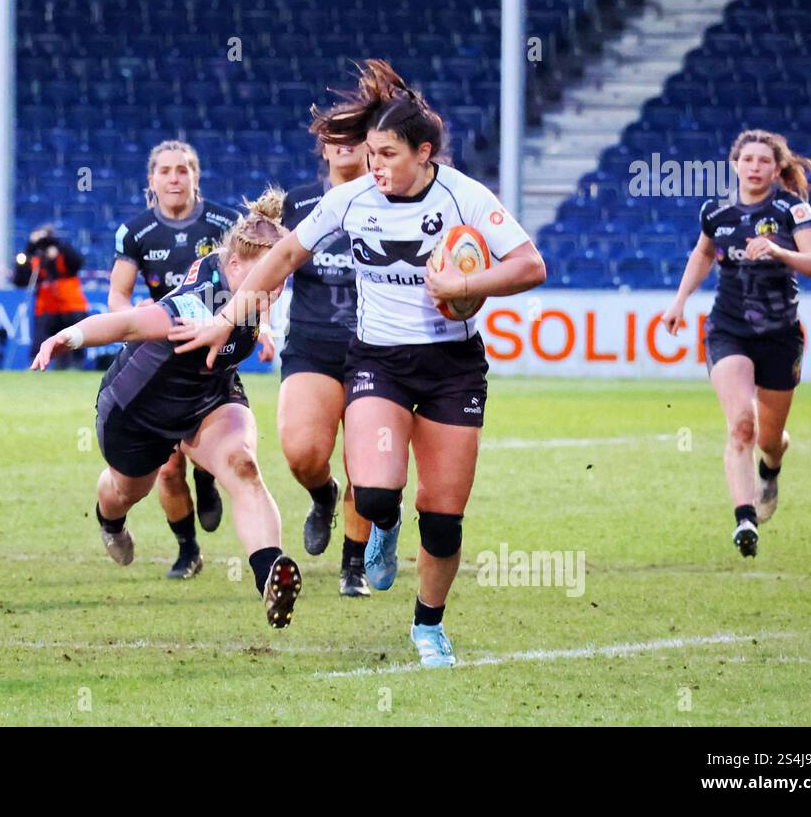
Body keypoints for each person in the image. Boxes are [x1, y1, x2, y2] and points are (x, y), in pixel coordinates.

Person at [171, 61, 546, 666]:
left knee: (444, 518)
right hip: (379, 362)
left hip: (453, 368)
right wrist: (230, 316)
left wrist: (465, 281)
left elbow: (531, 265)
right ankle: (383, 521)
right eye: (371, 153)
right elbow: (286, 253)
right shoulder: (350, 200)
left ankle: (428, 626)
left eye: (389, 155)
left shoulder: (464, 196)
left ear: (424, 154)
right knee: (372, 496)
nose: (375, 166)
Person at [32, 189, 302, 627]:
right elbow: (129, 323)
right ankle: (110, 523)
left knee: (243, 466)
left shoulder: (247, 280)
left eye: (281, 277)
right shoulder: (193, 308)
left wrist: (265, 328)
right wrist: (69, 338)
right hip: (140, 408)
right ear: (236, 267)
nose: (276, 286)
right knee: (124, 491)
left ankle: (269, 578)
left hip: (208, 394)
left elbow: (257, 294)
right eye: (269, 277)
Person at [663, 129, 811, 558]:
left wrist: (780, 252)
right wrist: (679, 302)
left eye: (763, 161)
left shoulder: (792, 210)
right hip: (728, 328)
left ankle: (771, 467)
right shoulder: (715, 211)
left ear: (776, 169)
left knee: (769, 438)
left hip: (780, 335)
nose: (754, 167)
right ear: (735, 165)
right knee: (741, 423)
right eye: (747, 159)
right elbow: (703, 253)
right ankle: (745, 518)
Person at [106, 139, 256, 579]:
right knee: (167, 468)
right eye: (166, 171)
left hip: (213, 353)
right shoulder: (135, 233)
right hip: (163, 357)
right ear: (151, 182)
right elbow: (118, 295)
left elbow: (255, 280)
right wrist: (137, 327)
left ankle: (206, 477)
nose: (175, 178)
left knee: (219, 447)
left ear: (195, 177)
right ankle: (187, 550)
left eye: (183, 170)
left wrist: (258, 326)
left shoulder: (227, 224)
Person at [276, 139, 373, 596]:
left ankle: (353, 567)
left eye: (357, 135)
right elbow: (273, 262)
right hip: (312, 344)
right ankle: (322, 495)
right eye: (336, 137)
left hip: (375, 348)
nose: (347, 145)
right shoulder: (298, 203)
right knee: (302, 454)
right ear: (323, 149)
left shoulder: (390, 200)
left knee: (368, 465)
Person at [14, 224, 89, 370]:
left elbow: (77, 262)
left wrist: (55, 246)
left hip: (70, 305)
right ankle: (37, 367)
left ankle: (76, 367)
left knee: (75, 339)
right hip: (46, 307)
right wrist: (29, 248)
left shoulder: (63, 251)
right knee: (40, 340)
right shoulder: (34, 257)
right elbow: (20, 280)